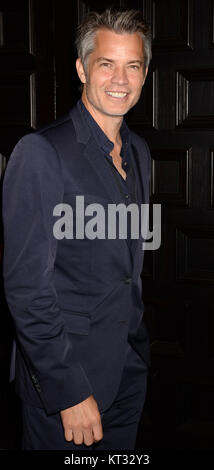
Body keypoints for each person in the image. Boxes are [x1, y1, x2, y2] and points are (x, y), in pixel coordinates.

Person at [2, 8, 152, 450]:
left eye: (133, 65)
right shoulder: (41, 152)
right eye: (107, 64)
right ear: (82, 68)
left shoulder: (140, 152)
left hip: (128, 370)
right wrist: (68, 391)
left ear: (145, 75)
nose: (120, 79)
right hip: (69, 385)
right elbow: (27, 288)